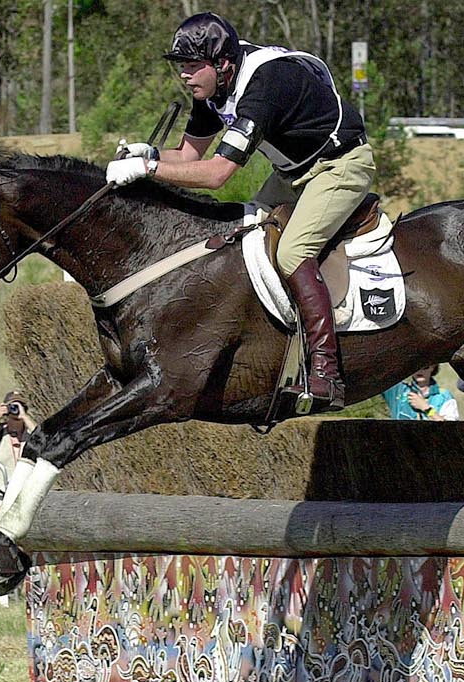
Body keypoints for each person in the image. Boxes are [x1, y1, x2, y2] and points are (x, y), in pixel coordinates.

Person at [105, 12, 374, 412]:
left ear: (223, 63)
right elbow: (188, 154)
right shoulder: (212, 89)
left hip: (341, 165)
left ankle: (325, 371)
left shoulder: (264, 86)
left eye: (193, 66)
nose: (185, 75)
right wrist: (151, 153)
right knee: (239, 236)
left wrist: (148, 170)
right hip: (294, 171)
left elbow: (217, 174)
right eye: (182, 66)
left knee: (291, 253)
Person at [383, 365, 460, 421]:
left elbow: (450, 429)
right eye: (415, 367)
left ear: (433, 367)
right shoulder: (397, 390)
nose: (420, 371)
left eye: (425, 367)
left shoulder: (444, 396)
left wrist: (426, 409)